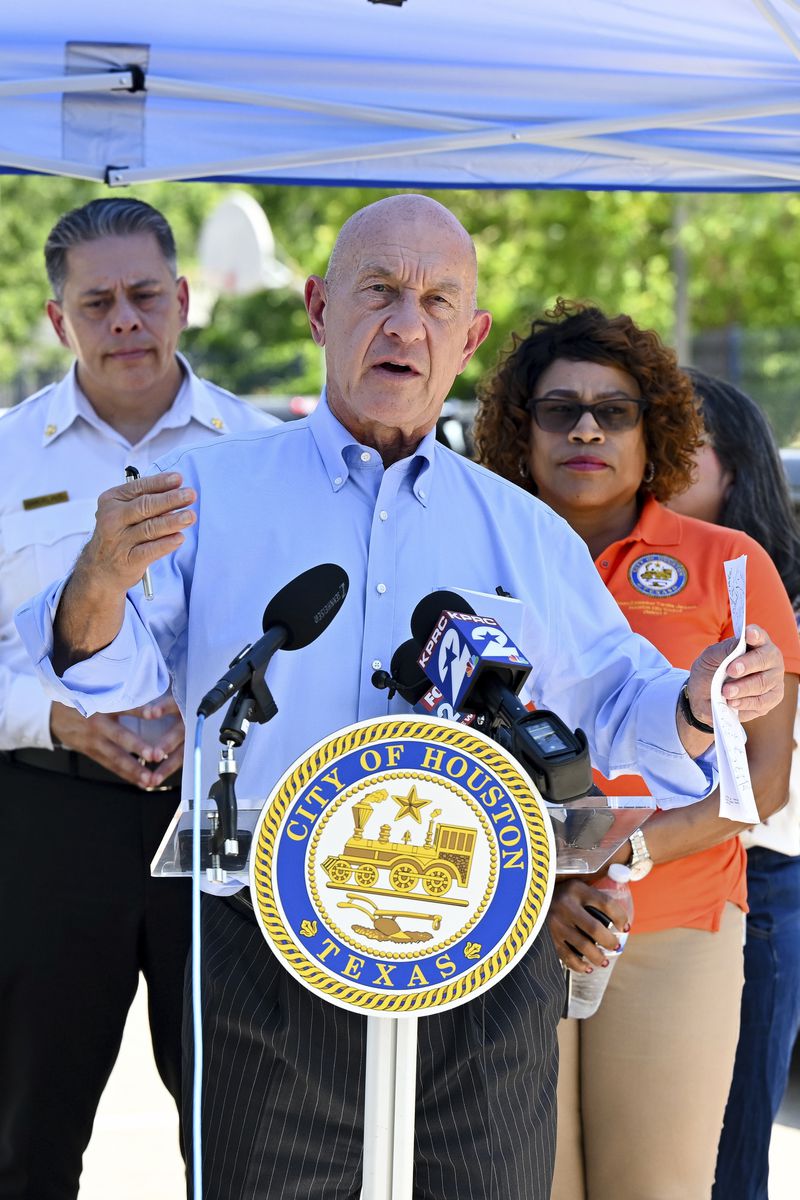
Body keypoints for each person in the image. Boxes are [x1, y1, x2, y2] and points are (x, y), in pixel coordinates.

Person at [14, 197, 786, 1200]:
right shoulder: (204, 491)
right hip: (268, 953)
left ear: (466, 339)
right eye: (376, 292)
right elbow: (104, 673)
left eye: (434, 301)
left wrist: (696, 696)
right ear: (317, 308)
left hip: (485, 954)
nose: (403, 324)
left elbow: (621, 699)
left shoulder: (523, 532)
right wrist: (100, 578)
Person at [473, 299, 800, 1200]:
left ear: (654, 431)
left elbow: (762, 782)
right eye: (559, 409)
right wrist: (547, 884)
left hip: (675, 927)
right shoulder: (466, 553)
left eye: (614, 410)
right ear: (518, 430)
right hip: (501, 924)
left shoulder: (728, 563)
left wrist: (621, 854)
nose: (586, 428)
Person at [0, 197, 278, 1200]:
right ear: (54, 318)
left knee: (238, 1121)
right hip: (48, 818)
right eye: (98, 301)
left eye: (144, 294)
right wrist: (62, 715)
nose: (125, 319)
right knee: (28, 1126)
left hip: (225, 818)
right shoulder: (5, 458)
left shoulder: (262, 453)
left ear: (183, 299)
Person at [666, 370, 800, 1200]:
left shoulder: (774, 592)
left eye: (680, 443)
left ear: (735, 465)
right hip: (633, 889)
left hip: (755, 889)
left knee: (725, 1160)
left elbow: (768, 787)